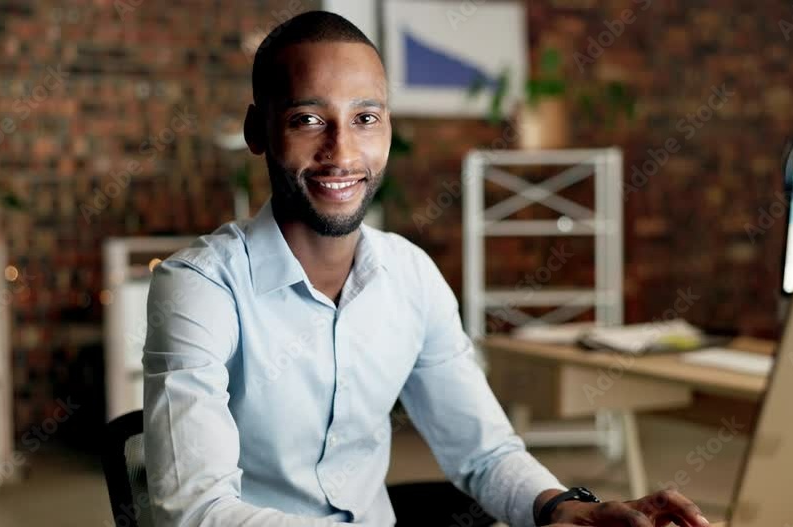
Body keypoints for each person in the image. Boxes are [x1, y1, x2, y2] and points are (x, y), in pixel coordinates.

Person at [143, 10, 711, 527]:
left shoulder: (410, 276)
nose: (342, 152)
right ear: (257, 131)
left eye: (365, 117)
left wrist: (562, 507)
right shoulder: (199, 286)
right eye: (309, 120)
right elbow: (196, 513)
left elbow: (483, 452)